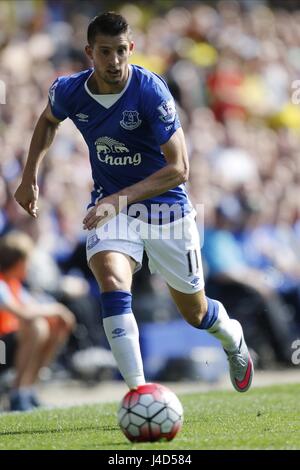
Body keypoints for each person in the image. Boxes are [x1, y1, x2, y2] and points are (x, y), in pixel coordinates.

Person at [14, 12, 253, 393]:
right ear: (90, 52)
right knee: (111, 281)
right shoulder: (69, 91)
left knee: (196, 313)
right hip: (112, 210)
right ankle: (139, 394)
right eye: (105, 52)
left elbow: (180, 169)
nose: (114, 61)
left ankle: (232, 338)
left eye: (121, 51)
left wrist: (118, 199)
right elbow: (47, 121)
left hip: (166, 210)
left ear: (132, 49)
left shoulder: (149, 90)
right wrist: (29, 177)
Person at [0, 231, 75, 411]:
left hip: (8, 345)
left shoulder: (14, 284)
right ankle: (17, 394)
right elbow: (25, 314)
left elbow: (34, 306)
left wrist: (58, 315)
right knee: (37, 326)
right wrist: (57, 309)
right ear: (19, 262)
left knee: (55, 325)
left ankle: (28, 390)